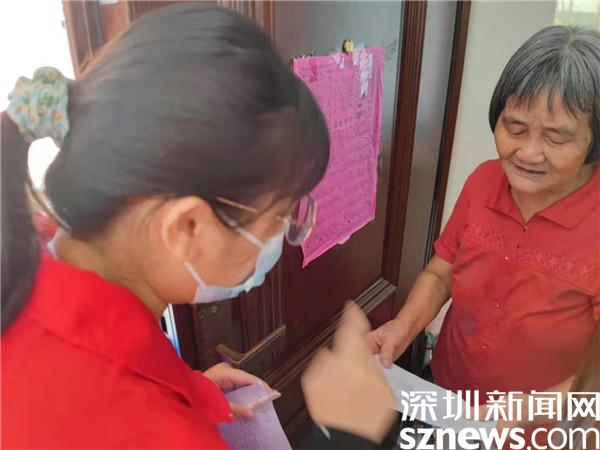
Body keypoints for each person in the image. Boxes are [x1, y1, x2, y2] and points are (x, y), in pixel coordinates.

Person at [1, 4, 395, 448]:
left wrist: (186, 389)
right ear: (187, 226)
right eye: (282, 215)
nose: (283, 237)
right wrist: (350, 433)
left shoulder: (27, 253)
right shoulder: (159, 433)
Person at [368, 24, 599, 440]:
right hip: (448, 400)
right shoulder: (484, 180)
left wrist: (530, 409)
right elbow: (441, 272)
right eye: (514, 128)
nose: (528, 153)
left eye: (556, 138)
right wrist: (404, 326)